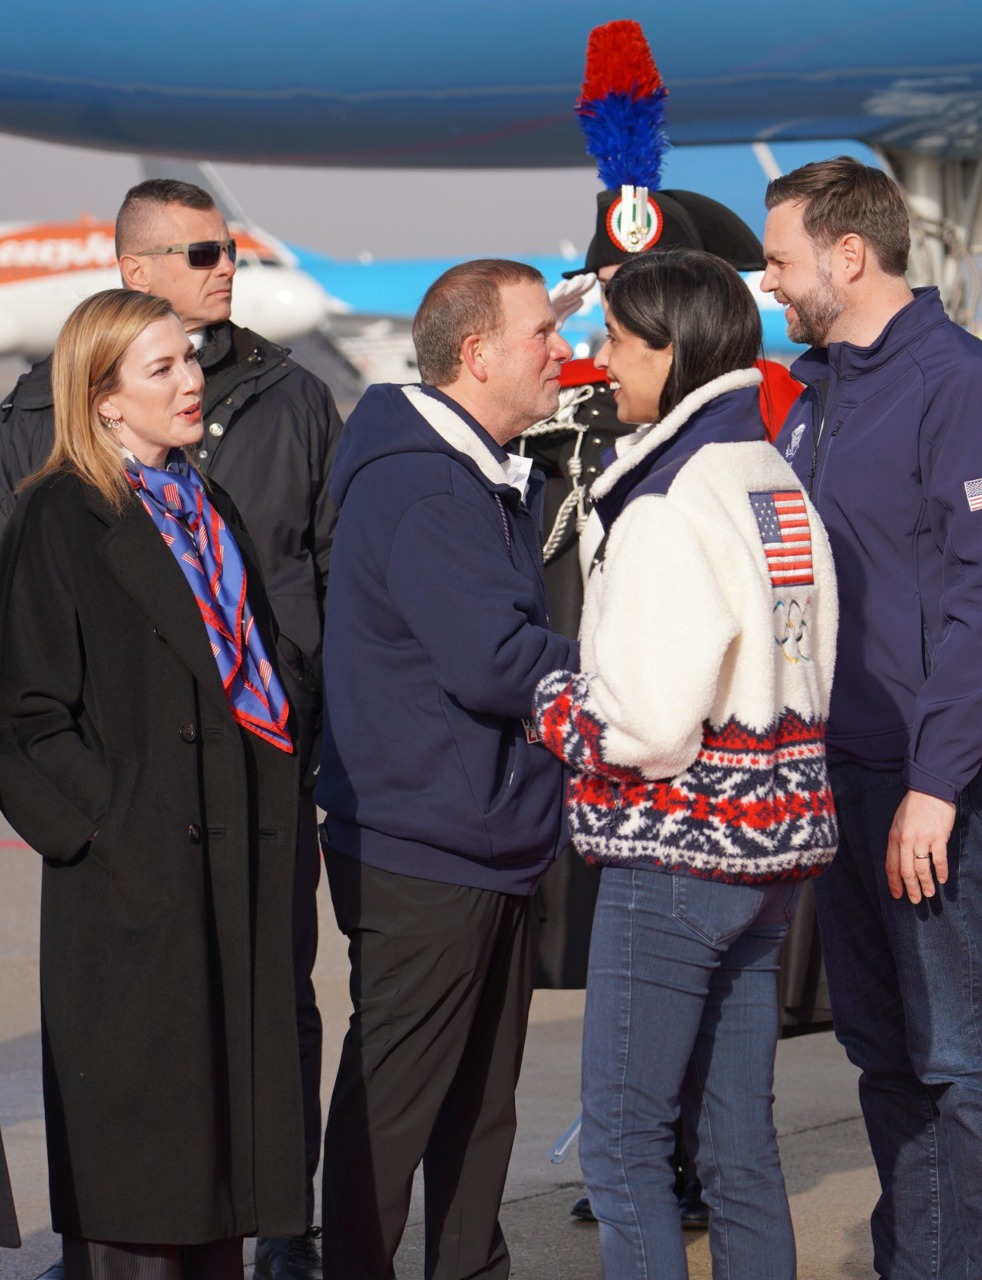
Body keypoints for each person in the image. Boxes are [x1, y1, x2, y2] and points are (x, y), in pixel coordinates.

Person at [0, 178, 340, 1280]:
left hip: (233, 862)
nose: (192, 381)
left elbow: (256, 638)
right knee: (145, 1176)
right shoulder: (60, 512)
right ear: (102, 397)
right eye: (164, 369)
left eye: (189, 362)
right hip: (136, 887)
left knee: (215, 1168)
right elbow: (24, 712)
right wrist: (109, 827)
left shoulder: (199, 498)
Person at [532, 249, 838, 1280]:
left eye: (615, 340)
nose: (599, 359)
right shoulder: (772, 476)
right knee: (738, 1149)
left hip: (677, 857)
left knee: (623, 1151)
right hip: (768, 861)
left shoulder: (668, 502)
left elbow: (649, 729)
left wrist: (556, 708)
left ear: (670, 352)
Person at [762, 155, 982, 1280]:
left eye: (780, 259)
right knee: (880, 1051)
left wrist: (933, 783)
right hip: (835, 773)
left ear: (848, 253)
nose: (770, 281)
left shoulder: (960, 384)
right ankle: (917, 1261)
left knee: (957, 1055)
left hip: (923, 785)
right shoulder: (819, 393)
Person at [315, 258, 579, 1280]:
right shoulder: (427, 486)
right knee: (400, 1097)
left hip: (484, 829)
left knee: (480, 1101)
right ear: (477, 355)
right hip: (425, 842)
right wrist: (622, 670)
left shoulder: (486, 472)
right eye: (541, 335)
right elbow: (494, 657)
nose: (559, 351)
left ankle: (469, 1265)